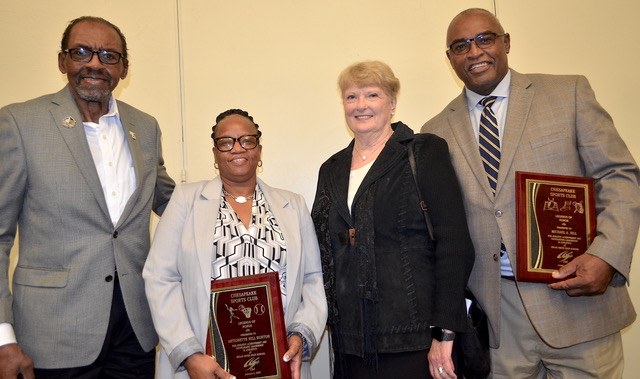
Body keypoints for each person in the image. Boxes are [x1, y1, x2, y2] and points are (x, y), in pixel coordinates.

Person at [422, 8, 640, 378]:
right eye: (460, 46)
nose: (474, 52)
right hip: (497, 318)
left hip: (577, 301)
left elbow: (618, 176)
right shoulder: (435, 132)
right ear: (450, 59)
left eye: (484, 39)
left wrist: (607, 256)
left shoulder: (567, 92)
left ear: (506, 42)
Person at [0, 16, 176, 379]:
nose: (95, 63)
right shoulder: (19, 123)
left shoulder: (145, 126)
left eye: (109, 56)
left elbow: (171, 201)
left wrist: (237, 198)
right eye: (82, 52)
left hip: (135, 330)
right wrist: (3, 339)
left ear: (124, 68)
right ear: (63, 61)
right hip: (53, 334)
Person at [312, 61, 475, 379]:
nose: (360, 105)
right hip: (350, 341)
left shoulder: (423, 152)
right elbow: (323, 251)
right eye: (351, 97)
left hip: (415, 338)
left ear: (392, 102)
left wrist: (444, 334)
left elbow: (454, 243)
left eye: (372, 94)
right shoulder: (330, 169)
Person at [143, 109, 327, 379]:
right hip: (206, 363)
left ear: (259, 149)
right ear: (215, 153)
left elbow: (312, 279)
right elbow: (160, 278)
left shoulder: (293, 204)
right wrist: (189, 354)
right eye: (226, 142)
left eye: (247, 140)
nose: (237, 148)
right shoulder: (185, 200)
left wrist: (300, 335)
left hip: (278, 360)